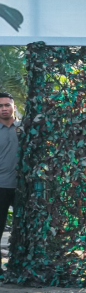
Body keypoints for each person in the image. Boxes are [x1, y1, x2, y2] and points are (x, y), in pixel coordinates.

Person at [0, 93, 19, 254]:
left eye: (7, 105)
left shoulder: (25, 129)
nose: (4, 108)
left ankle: (20, 266)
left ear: (14, 107)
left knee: (24, 229)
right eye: (0, 106)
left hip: (23, 188)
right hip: (0, 187)